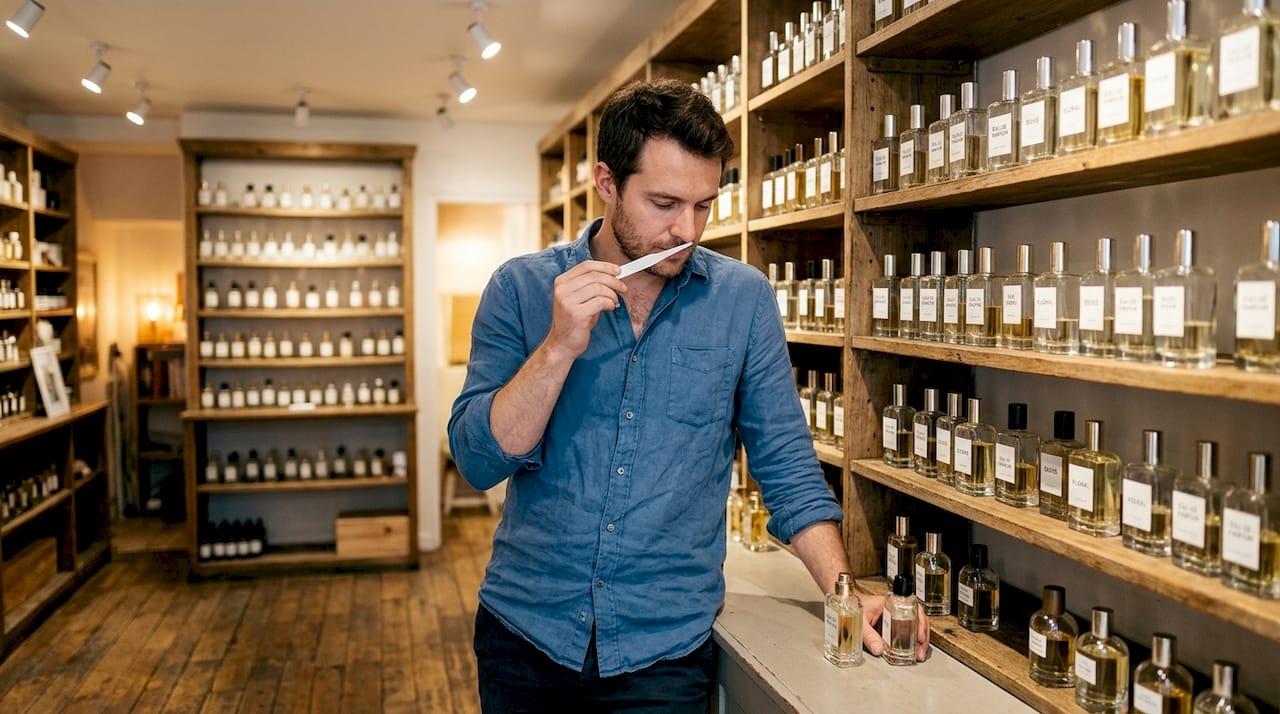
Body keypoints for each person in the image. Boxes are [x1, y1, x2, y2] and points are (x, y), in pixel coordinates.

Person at [449, 78, 929, 713]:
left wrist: (845, 591)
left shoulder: (743, 300)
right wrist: (558, 347)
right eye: (664, 203)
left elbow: (787, 464)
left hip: (662, 654)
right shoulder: (521, 289)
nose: (687, 229)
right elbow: (479, 461)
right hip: (526, 635)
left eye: (704, 205)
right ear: (607, 182)